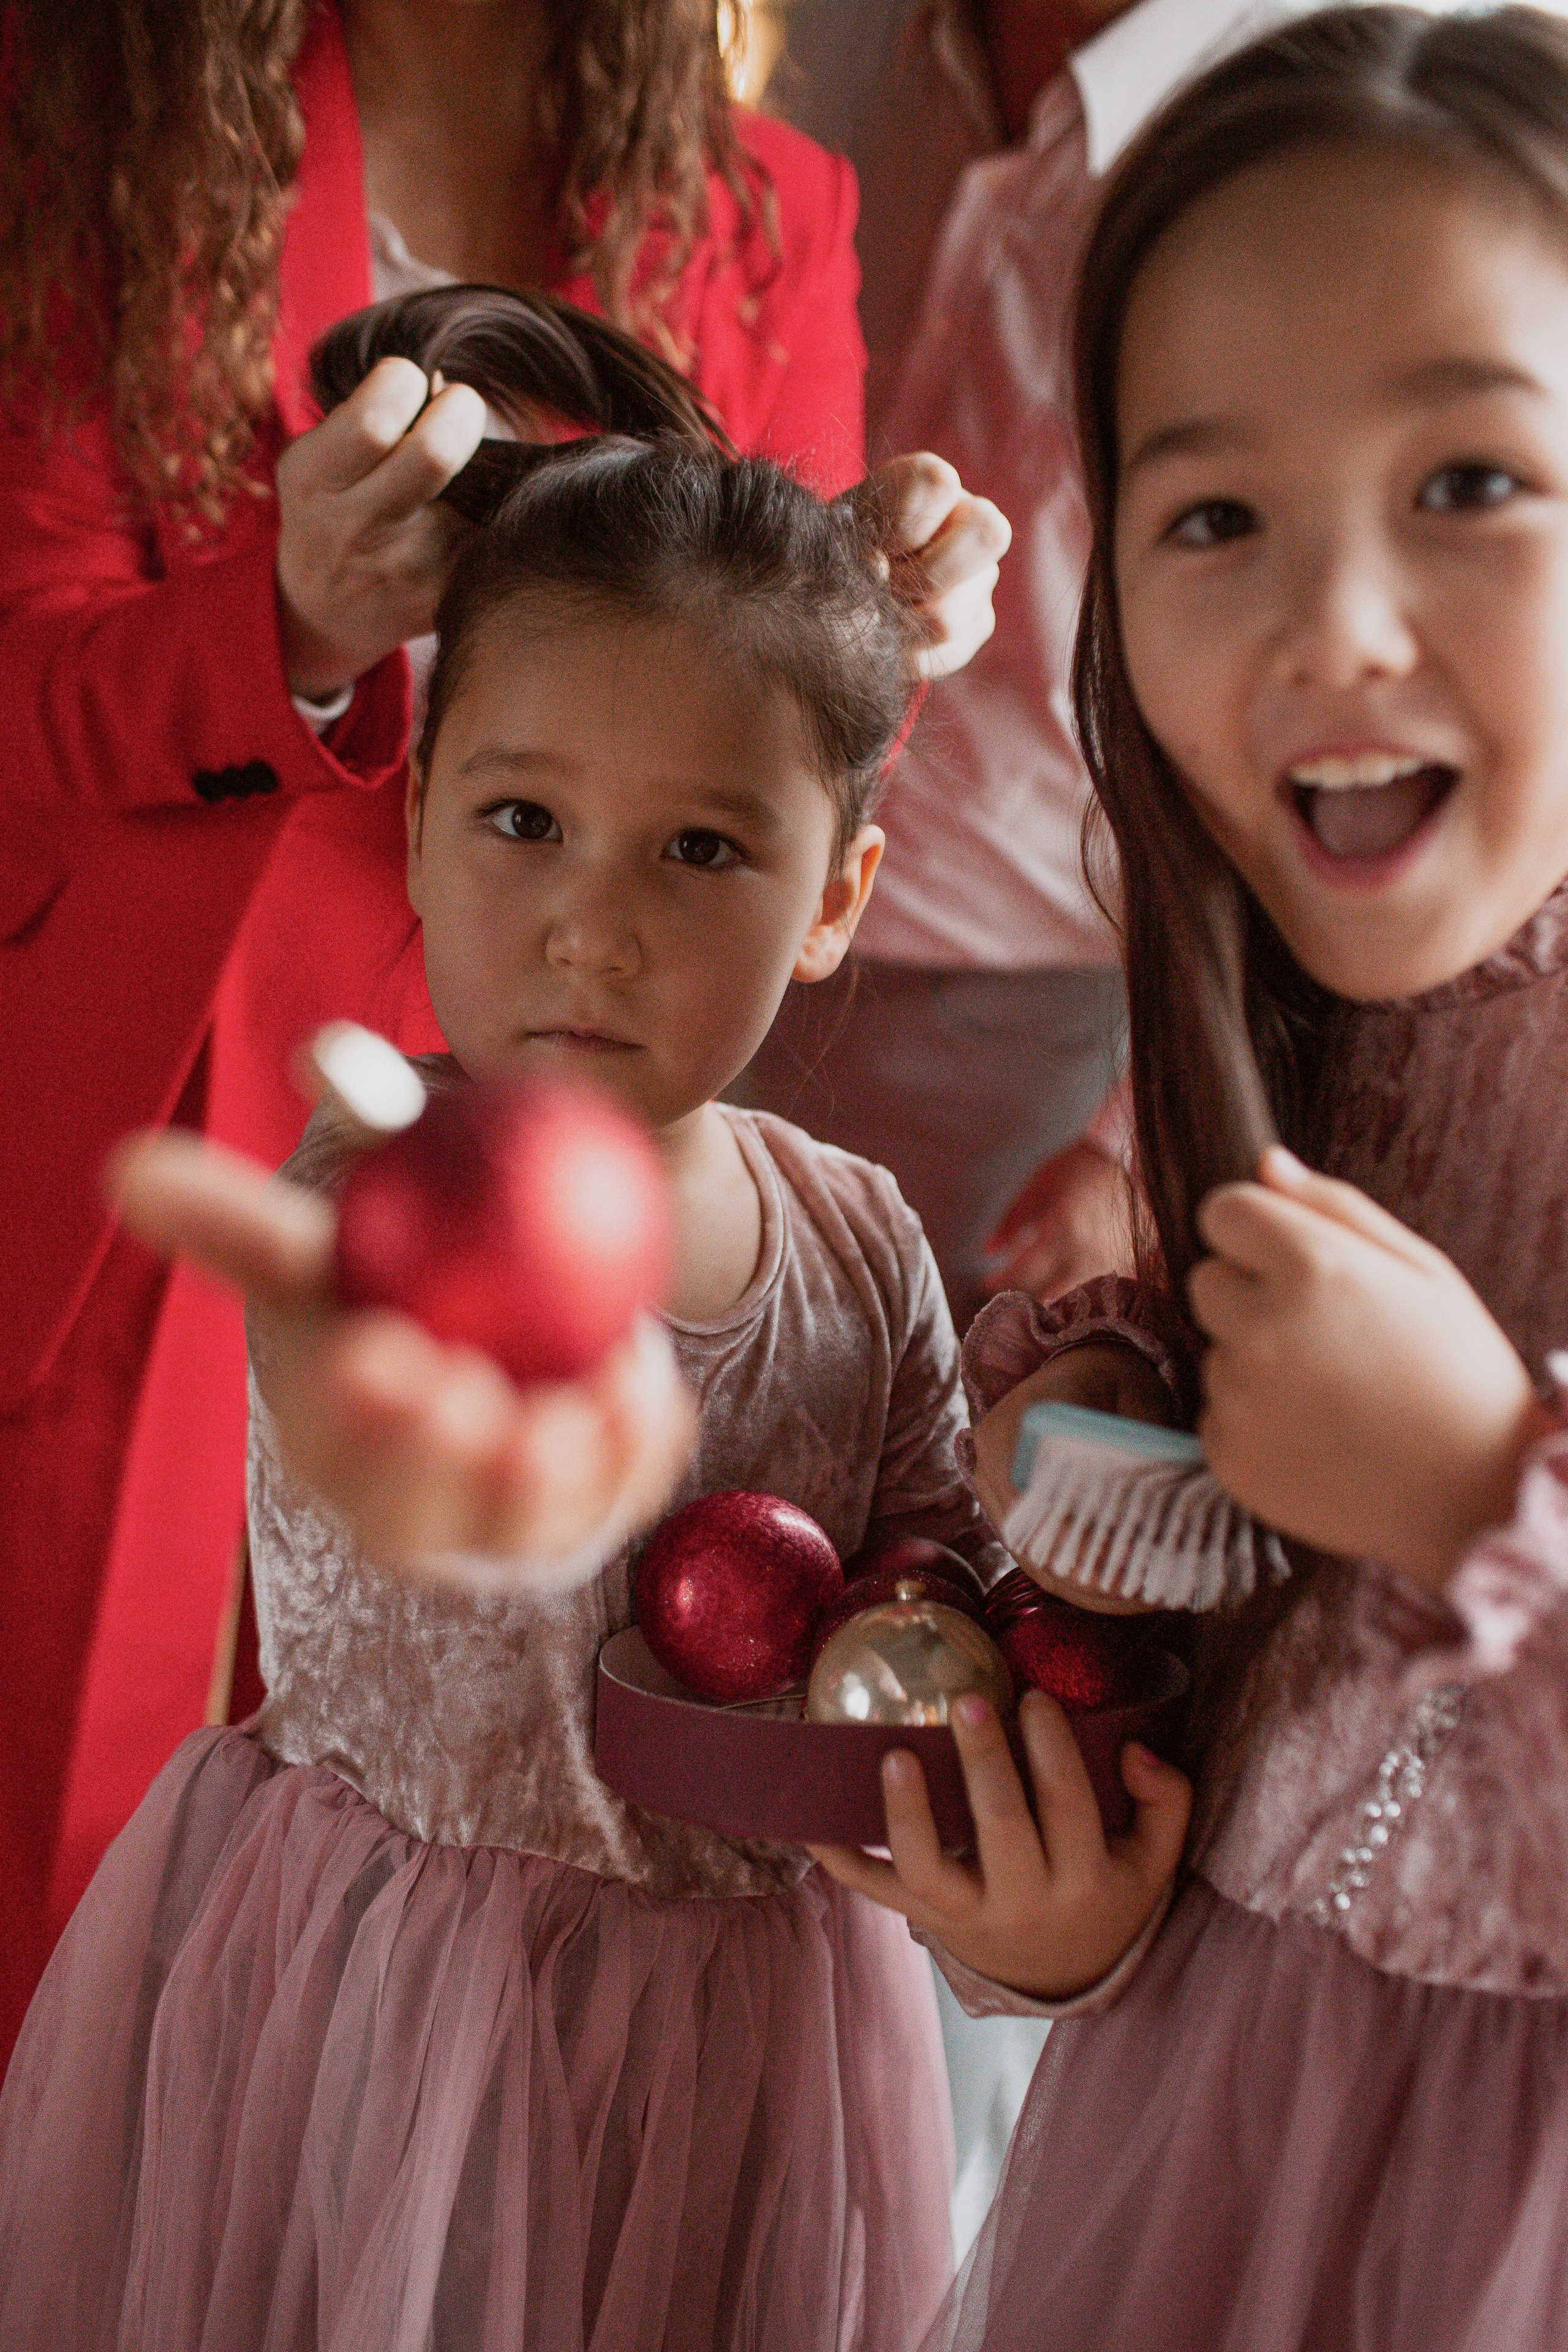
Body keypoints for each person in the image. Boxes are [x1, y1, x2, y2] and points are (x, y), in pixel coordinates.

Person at [0, 283, 1011, 2348]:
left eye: (704, 849)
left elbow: (938, 1591)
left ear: (837, 898)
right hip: (384, 2017)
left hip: (751, 2047)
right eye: (524, 820)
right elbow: (378, 1418)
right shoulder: (378, 1187)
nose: (592, 920)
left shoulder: (862, 1240)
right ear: (424, 802)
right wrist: (465, 1446)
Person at [809, 10, 1568, 2345]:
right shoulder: (1294, 1028)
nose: (1337, 627)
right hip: (1221, 2164)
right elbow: (1262, 1741)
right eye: (1217, 516)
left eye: (1473, 484)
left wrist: (1469, 1488)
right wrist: (1054, 1910)